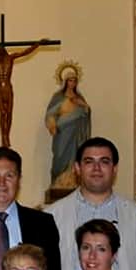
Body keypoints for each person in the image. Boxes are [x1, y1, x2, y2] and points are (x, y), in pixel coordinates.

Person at [46, 137, 136, 270]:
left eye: (104, 161)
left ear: (114, 168)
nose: (96, 168)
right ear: (77, 168)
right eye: (89, 161)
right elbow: (42, 267)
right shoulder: (51, 215)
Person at [45, 62, 91, 190]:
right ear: (65, 82)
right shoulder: (58, 97)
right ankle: (58, 182)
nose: (72, 83)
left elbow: (86, 113)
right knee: (60, 156)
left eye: (74, 81)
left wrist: (84, 107)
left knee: (75, 157)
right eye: (70, 80)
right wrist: (52, 125)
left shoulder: (79, 98)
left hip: (76, 134)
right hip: (62, 133)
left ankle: (72, 182)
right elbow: (50, 114)